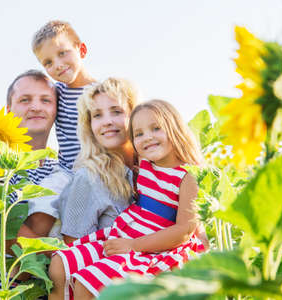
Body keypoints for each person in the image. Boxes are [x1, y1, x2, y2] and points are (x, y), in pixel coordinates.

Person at [48, 99, 207, 300]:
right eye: (138, 134)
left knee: (87, 284)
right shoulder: (146, 162)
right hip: (123, 232)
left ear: (175, 128)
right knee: (59, 265)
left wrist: (134, 246)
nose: (147, 137)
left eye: (156, 128)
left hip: (154, 246)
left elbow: (184, 231)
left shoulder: (189, 175)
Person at [0, 69, 71, 298]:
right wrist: (69, 253)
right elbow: (4, 231)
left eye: (45, 100)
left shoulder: (63, 173)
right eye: (25, 100)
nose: (36, 107)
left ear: (56, 110)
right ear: (8, 111)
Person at [55, 77, 139, 245]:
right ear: (90, 125)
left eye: (116, 111)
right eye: (97, 115)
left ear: (135, 115)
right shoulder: (88, 178)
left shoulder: (156, 168)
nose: (107, 121)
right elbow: (73, 251)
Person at [32, 20, 96, 173]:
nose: (58, 65)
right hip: (66, 172)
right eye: (48, 62)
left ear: (81, 50)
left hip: (98, 170)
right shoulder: (55, 93)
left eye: (62, 53)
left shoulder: (103, 92)